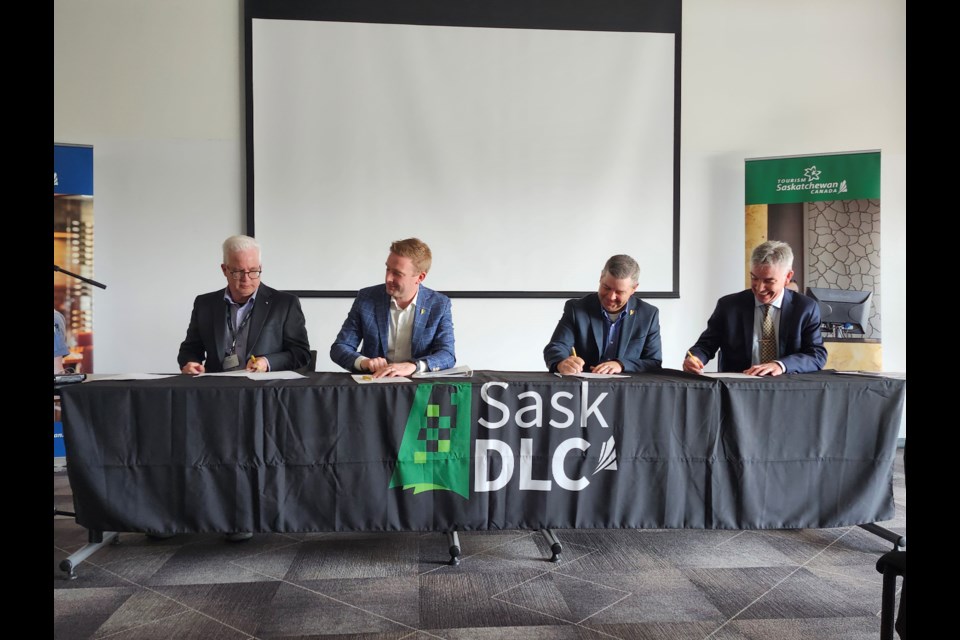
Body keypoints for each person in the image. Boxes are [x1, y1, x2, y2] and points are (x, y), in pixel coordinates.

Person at [683, 240, 826, 377]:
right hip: (737, 391)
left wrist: (780, 365)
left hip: (786, 389)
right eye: (754, 278)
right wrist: (695, 358)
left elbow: (816, 355)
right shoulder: (728, 306)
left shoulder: (805, 308)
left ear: (788, 277)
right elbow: (705, 345)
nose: (759, 288)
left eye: (768, 281)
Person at [178, 234, 311, 375]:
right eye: (238, 272)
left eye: (253, 271)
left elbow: (301, 353)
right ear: (224, 270)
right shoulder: (205, 304)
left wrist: (267, 362)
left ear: (260, 267)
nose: (246, 279)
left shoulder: (285, 304)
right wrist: (191, 363)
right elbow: (190, 349)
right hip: (216, 390)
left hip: (263, 391)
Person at [331, 238, 455, 377]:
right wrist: (363, 362)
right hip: (373, 384)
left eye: (397, 273)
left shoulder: (439, 304)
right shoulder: (367, 298)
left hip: (416, 388)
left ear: (420, 277)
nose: (388, 278)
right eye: (387, 269)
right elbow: (340, 348)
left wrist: (414, 366)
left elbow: (447, 355)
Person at [544, 254, 662, 374]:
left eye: (619, 292)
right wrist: (561, 363)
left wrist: (621, 364)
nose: (611, 297)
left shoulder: (648, 315)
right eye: (606, 287)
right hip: (583, 387)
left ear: (634, 289)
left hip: (627, 389)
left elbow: (653, 362)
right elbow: (556, 347)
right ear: (601, 277)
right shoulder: (576, 309)